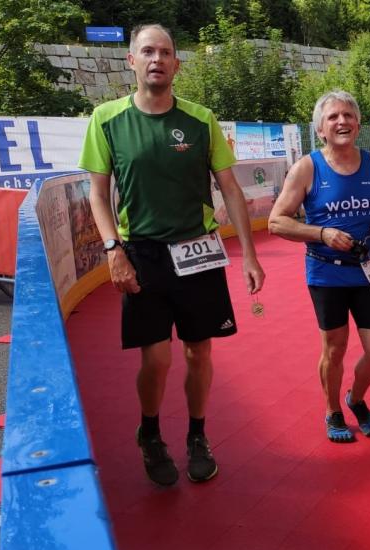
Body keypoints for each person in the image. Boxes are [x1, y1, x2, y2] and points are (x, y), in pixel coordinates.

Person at [78, 24, 265, 487]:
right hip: (141, 254)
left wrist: (249, 255)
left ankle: (197, 436)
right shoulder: (106, 118)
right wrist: (113, 250)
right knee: (157, 358)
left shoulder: (201, 120)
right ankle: (150, 432)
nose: (157, 59)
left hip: (197, 250)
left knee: (199, 352)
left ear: (177, 64)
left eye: (165, 52)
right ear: (132, 61)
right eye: (147, 51)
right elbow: (97, 195)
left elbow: (230, 188)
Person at [268, 91, 370, 443]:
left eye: (348, 115)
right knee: (335, 349)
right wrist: (321, 233)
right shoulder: (307, 168)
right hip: (327, 272)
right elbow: (276, 221)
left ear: (358, 123)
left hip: (368, 270)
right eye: (333, 117)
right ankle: (332, 409)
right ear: (321, 129)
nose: (342, 122)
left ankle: (356, 398)